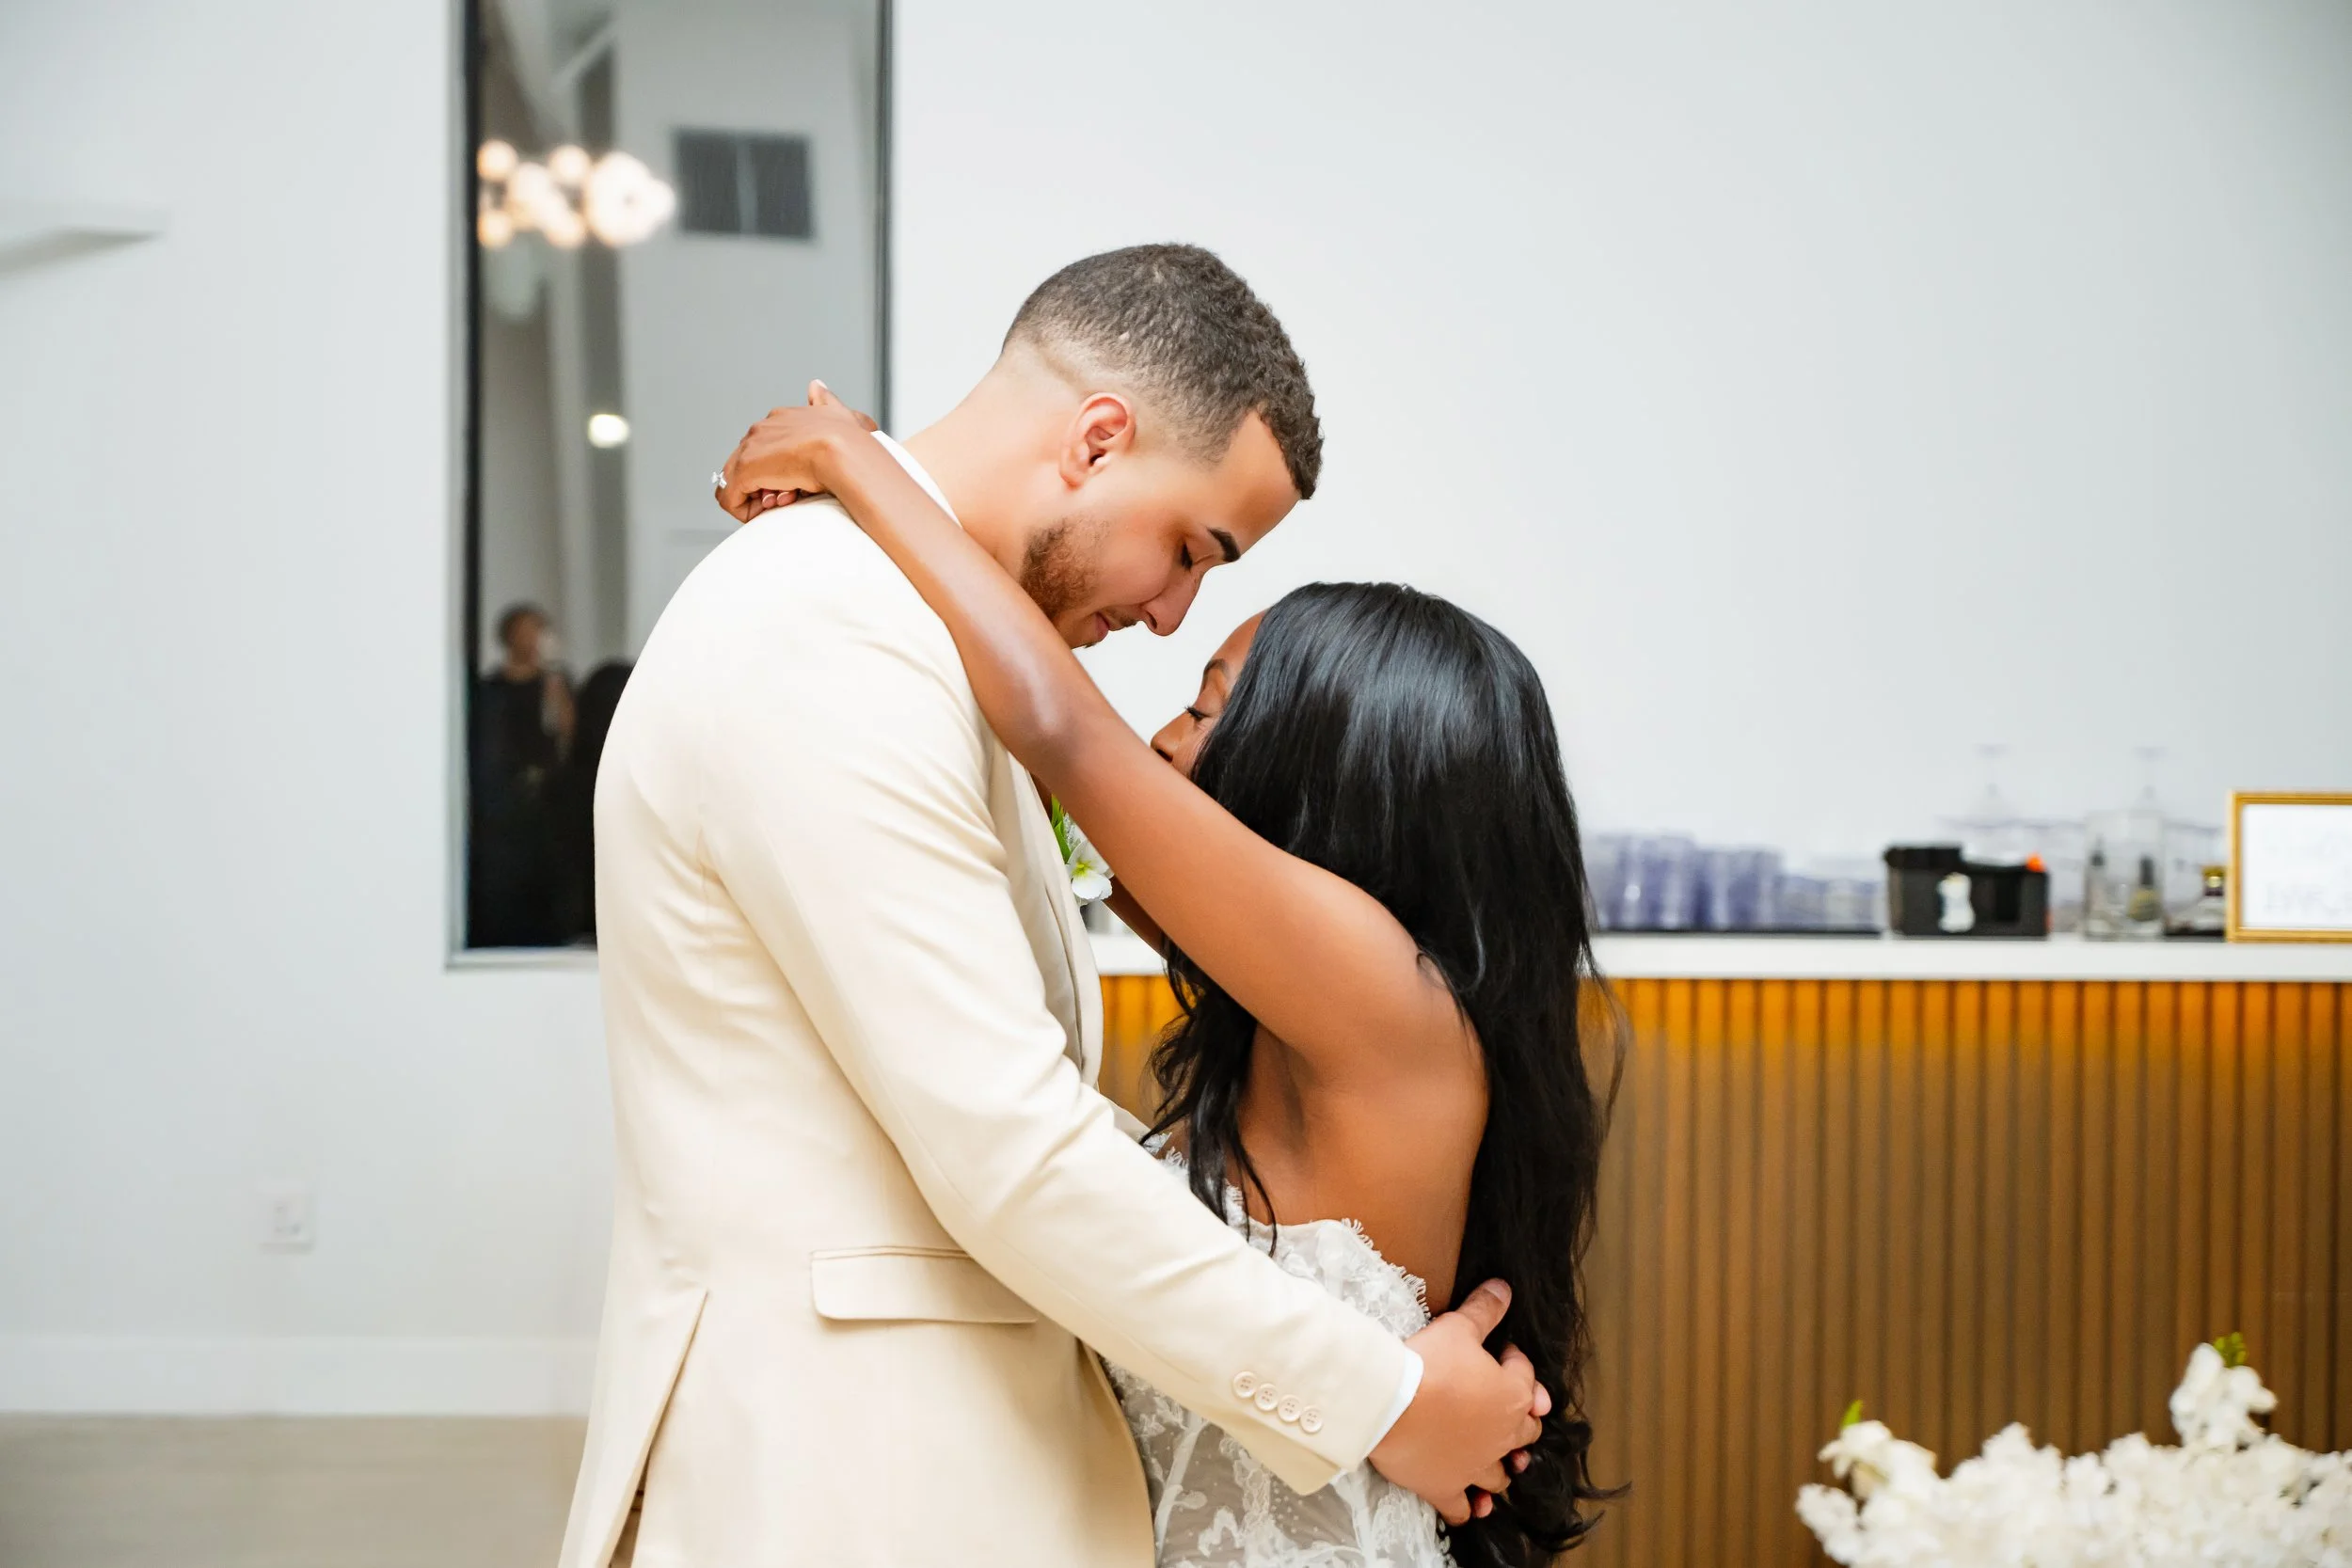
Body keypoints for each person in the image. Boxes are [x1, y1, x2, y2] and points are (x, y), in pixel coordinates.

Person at [559, 245, 1545, 1568]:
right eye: (1189, 548)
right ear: (1095, 440)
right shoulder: (835, 622)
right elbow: (1009, 1140)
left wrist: (861, 463)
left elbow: (1068, 745)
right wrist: (1385, 1397)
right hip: (840, 1475)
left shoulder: (922, 639)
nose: (1171, 614)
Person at [468, 602, 574, 946]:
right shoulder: (491, 687)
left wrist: (555, 685)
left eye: (538, 630)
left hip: (546, 795)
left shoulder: (553, 682)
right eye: (526, 630)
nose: (533, 638)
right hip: (501, 799)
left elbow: (566, 731)